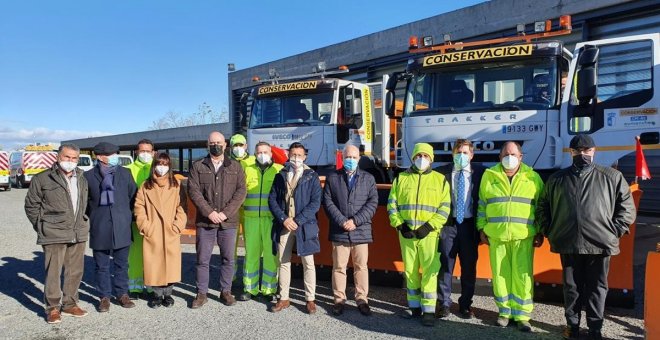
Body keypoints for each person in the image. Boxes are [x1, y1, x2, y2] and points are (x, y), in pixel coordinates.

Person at [537, 134, 636, 340]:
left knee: (597, 288)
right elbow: (542, 207)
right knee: (571, 288)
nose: (582, 154)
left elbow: (627, 209)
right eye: (578, 151)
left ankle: (595, 330)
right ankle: (572, 327)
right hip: (568, 242)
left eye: (587, 151)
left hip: (600, 245)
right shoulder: (557, 179)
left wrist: (613, 231)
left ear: (594, 152)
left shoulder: (612, 177)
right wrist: (549, 230)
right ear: (571, 152)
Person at [476, 141, 544, 332]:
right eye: (506, 154)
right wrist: (481, 228)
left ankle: (522, 315)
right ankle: (504, 312)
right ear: (499, 157)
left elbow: (540, 207)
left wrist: (539, 231)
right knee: (500, 275)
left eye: (513, 154)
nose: (509, 157)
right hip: (497, 236)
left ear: (521, 157)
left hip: (523, 237)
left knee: (523, 276)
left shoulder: (533, 177)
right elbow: (482, 205)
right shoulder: (489, 177)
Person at [25, 143, 90, 324]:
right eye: (67, 157)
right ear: (58, 157)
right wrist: (42, 226)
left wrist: (84, 221)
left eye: (74, 158)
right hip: (53, 232)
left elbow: (85, 204)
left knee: (75, 271)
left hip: (78, 231)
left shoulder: (82, 179)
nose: (70, 161)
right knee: (53, 272)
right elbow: (31, 205)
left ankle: (70, 304)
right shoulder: (43, 179)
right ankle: (53, 307)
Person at [387, 143, 451, 327]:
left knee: (430, 272)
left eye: (425, 156)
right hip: (407, 234)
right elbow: (392, 204)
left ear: (431, 158)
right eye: (418, 155)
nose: (422, 159)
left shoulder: (440, 180)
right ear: (413, 157)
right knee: (410, 270)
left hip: (429, 234)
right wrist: (400, 225)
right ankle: (414, 307)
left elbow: (444, 208)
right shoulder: (401, 178)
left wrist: (429, 226)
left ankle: (429, 310)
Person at [187, 131, 247, 309]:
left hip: (228, 222)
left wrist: (225, 213)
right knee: (202, 259)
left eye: (219, 142)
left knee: (228, 259)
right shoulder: (198, 166)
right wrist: (209, 212)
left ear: (225, 145)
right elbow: (194, 191)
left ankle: (226, 291)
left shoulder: (235, 167)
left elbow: (241, 192)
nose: (216, 145)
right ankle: (201, 293)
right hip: (206, 222)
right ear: (208, 144)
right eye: (212, 142)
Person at [323, 144, 378, 316]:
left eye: (354, 157)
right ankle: (339, 299)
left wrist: (355, 221)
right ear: (342, 157)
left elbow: (372, 203)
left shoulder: (368, 178)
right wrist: (342, 221)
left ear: (359, 159)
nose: (351, 160)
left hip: (361, 230)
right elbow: (328, 202)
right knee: (339, 267)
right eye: (348, 157)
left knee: (361, 267)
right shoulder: (333, 178)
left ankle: (362, 299)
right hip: (340, 230)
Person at [269, 142, 322, 314]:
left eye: (299, 155)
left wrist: (297, 220)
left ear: (305, 157)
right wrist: (284, 219)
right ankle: (284, 298)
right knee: (283, 262)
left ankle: (310, 299)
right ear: (288, 155)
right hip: (284, 225)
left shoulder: (312, 176)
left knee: (309, 263)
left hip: (305, 225)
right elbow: (272, 200)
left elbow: (315, 203)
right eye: (293, 155)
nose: (296, 158)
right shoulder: (281, 174)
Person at [434, 139, 485, 319]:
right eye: (458, 152)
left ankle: (465, 305)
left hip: (469, 226)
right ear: (453, 154)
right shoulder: (440, 173)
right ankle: (444, 304)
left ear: (471, 155)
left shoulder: (482, 173)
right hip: (449, 225)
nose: (461, 156)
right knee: (445, 265)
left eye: (465, 152)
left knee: (469, 268)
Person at [85, 142, 138, 312]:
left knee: (122, 264)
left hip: (122, 226)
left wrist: (125, 215)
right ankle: (104, 297)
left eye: (116, 153)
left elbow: (133, 197)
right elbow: (85, 203)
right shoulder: (88, 177)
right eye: (112, 154)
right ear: (100, 157)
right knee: (102, 266)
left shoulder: (125, 173)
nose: (116, 156)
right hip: (100, 227)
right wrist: (95, 217)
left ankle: (122, 293)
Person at [134, 152, 187, 308]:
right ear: (154, 165)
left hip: (171, 230)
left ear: (169, 166)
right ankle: (157, 295)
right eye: (159, 164)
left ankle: (168, 294)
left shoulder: (176, 185)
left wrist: (177, 226)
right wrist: (146, 226)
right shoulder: (146, 185)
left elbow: (182, 207)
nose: (162, 167)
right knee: (154, 265)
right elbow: (139, 207)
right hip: (154, 231)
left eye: (165, 164)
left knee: (171, 265)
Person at [237, 142, 283, 302]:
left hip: (271, 220)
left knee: (271, 255)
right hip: (250, 219)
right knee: (251, 255)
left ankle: (269, 289)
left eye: (265, 152)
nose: (262, 154)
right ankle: (250, 288)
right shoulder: (247, 170)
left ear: (271, 153)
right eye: (259, 152)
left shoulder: (278, 170)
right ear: (254, 154)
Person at [125, 138, 156, 299]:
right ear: (137, 152)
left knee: (152, 253)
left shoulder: (157, 169)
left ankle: (151, 286)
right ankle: (135, 287)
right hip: (133, 218)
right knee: (135, 253)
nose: (145, 154)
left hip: (153, 220)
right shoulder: (127, 170)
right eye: (141, 151)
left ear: (153, 152)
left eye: (148, 151)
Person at [229, 133, 255, 287]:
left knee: (250, 246)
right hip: (232, 210)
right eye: (235, 145)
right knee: (230, 247)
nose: (238, 148)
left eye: (241, 145)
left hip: (249, 211)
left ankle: (249, 281)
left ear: (246, 146)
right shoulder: (226, 163)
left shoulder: (254, 162)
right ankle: (230, 280)